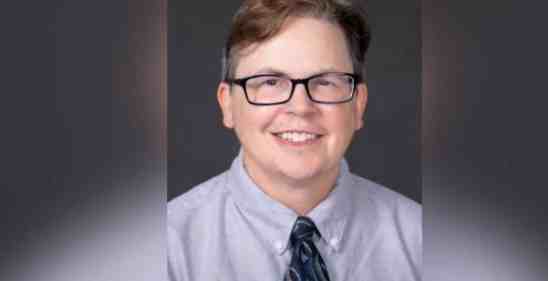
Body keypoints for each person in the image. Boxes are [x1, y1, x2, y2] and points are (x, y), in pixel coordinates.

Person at [167, 0, 421, 280]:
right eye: (270, 82)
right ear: (228, 105)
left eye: (325, 81)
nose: (301, 107)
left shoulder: (421, 243)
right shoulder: (167, 249)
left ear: (358, 105)